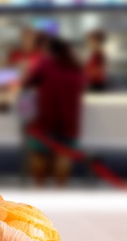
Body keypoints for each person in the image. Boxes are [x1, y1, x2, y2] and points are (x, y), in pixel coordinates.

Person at [22, 36, 85, 188]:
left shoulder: (46, 64)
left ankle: (40, 191)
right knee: (64, 155)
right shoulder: (76, 67)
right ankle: (59, 193)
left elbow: (28, 83)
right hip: (69, 123)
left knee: (39, 155)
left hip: (46, 120)